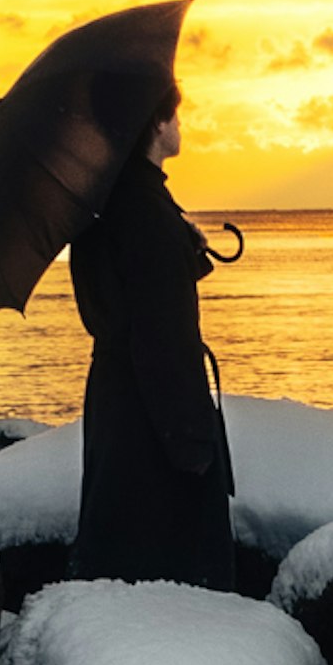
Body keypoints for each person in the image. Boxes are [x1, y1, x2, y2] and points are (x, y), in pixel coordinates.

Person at [67, 59, 238, 587]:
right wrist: (192, 443)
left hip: (117, 404)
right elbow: (165, 337)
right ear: (156, 124)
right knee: (170, 565)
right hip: (153, 418)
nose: (181, 125)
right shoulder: (142, 211)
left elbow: (121, 298)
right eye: (174, 115)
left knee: (115, 549)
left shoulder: (106, 202)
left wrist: (182, 243)